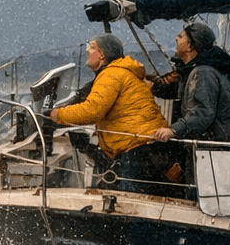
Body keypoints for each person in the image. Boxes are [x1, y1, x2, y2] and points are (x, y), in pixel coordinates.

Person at [49, 34, 169, 193]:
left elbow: (92, 111)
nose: (87, 50)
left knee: (130, 200)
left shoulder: (111, 74)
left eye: (92, 47)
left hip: (135, 151)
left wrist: (57, 115)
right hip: (147, 147)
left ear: (102, 55)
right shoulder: (123, 72)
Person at [152, 21, 230, 146]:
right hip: (217, 142)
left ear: (190, 46)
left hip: (219, 145)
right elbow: (179, 90)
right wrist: (153, 87)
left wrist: (174, 130)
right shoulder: (196, 70)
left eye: (181, 36)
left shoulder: (203, 73)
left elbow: (203, 112)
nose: (176, 38)